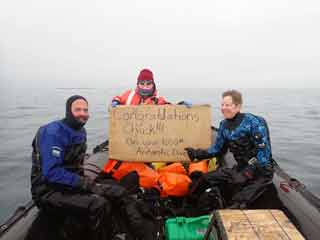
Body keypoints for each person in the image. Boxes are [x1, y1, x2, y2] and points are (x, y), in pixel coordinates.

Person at [28, 95, 128, 240]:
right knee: (98, 204)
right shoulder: (53, 133)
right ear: (68, 111)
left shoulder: (81, 132)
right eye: (78, 109)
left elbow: (77, 163)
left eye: (85, 110)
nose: (83, 113)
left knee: (115, 191)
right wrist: (85, 184)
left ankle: (113, 231)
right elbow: (51, 173)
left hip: (68, 185)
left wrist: (88, 183)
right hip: (47, 191)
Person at [185, 90, 274, 209]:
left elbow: (264, 154)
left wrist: (249, 171)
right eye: (222, 105)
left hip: (261, 173)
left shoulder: (253, 122)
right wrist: (197, 153)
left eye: (227, 105)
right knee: (205, 179)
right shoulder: (224, 125)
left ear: (238, 106)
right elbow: (217, 149)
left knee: (238, 202)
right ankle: (190, 209)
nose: (223, 108)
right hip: (240, 168)